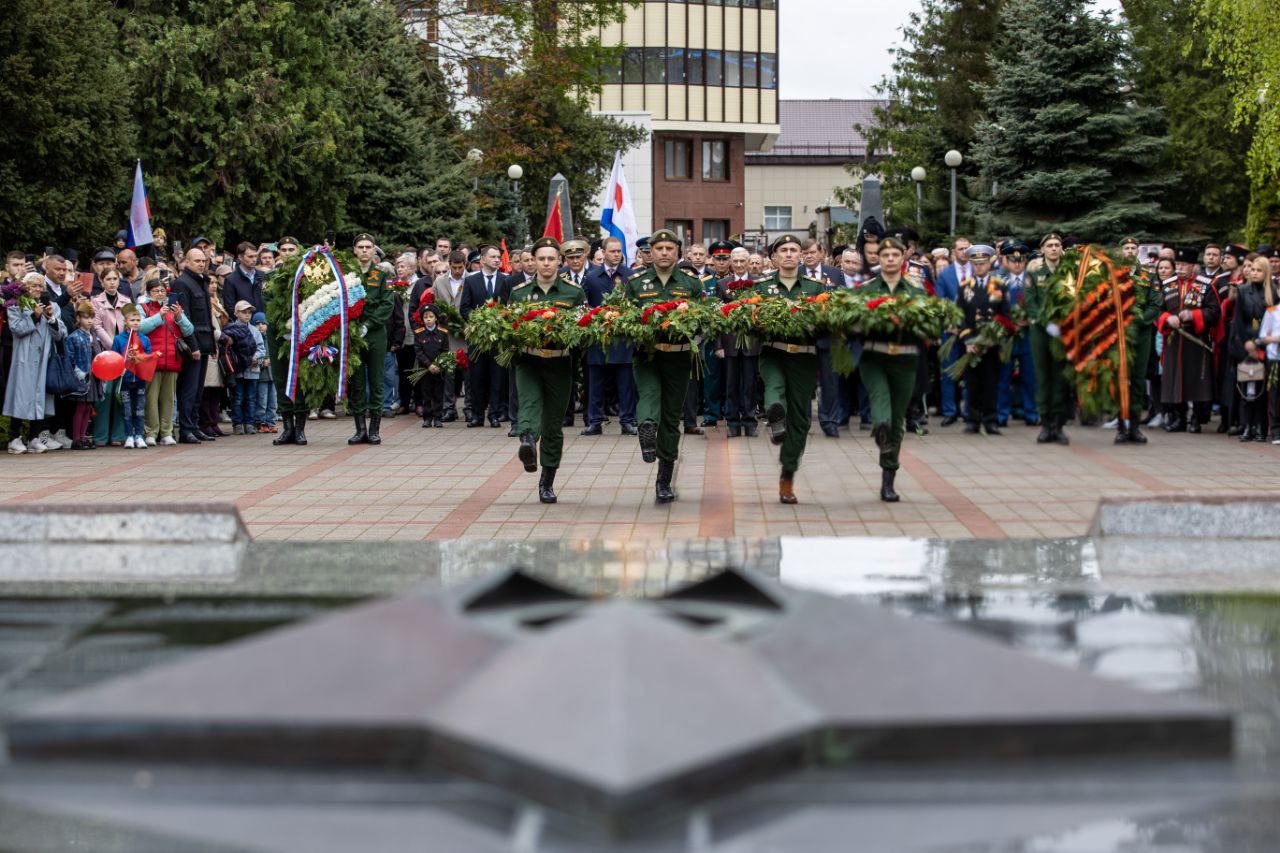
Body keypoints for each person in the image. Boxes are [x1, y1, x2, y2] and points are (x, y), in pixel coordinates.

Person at [625, 229, 702, 503]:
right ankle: (646, 431)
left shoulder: (691, 283)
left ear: (677, 252)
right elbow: (625, 318)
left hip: (679, 357)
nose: (665, 253)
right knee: (648, 395)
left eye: (670, 248)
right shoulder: (635, 283)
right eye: (659, 248)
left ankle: (664, 480)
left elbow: (702, 319)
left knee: (671, 417)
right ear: (650, 252)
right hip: (647, 355)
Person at [509, 237, 586, 504]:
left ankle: (547, 481)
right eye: (540, 258)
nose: (545, 263)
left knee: (554, 424)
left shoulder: (573, 292)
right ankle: (528, 443)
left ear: (559, 261)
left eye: (551, 258)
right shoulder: (519, 293)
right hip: (529, 361)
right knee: (528, 406)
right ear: (532, 261)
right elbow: (509, 327)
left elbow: (583, 330)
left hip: (559, 363)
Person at [751, 235, 826, 504]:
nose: (789, 254)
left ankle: (788, 475)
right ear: (774, 257)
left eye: (794, 250)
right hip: (773, 352)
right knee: (774, 387)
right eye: (783, 250)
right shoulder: (761, 288)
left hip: (804, 358)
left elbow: (827, 322)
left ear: (801, 255)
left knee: (802, 421)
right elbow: (747, 319)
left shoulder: (817, 288)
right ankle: (774, 417)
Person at [856, 237, 928, 502]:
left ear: (902, 259)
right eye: (883, 254)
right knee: (882, 409)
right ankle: (880, 427)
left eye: (893, 255)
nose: (888, 259)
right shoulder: (865, 290)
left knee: (897, 421)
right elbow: (852, 322)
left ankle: (888, 480)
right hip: (874, 357)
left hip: (906, 360)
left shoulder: (916, 290)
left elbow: (928, 325)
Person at [1158, 246, 1222, 433]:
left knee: (1197, 381)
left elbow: (1214, 312)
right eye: (1177, 264)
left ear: (1193, 266)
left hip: (1196, 340)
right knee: (1175, 380)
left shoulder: (1205, 286)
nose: (1179, 268)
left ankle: (1196, 419)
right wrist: (1167, 319)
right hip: (1174, 341)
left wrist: (1194, 315)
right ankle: (1179, 418)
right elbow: (1159, 311)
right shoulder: (1168, 285)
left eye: (1183, 264)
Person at [5, 273, 67, 454]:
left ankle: (34, 437)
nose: (37, 290)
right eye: (33, 286)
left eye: (40, 287)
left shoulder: (52, 306)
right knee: (20, 396)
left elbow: (60, 333)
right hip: (24, 358)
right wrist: (33, 316)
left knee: (41, 398)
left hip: (43, 359)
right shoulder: (16, 305)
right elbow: (17, 329)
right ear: (25, 288)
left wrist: (50, 317)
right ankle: (14, 437)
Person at [581, 236, 636, 436]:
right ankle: (594, 421)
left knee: (625, 382)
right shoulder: (591, 276)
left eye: (619, 251)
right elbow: (584, 304)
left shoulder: (630, 275)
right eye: (612, 251)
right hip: (598, 337)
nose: (616, 254)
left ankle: (627, 420)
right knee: (595, 382)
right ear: (603, 253)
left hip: (622, 337)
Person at [346, 233, 396, 445]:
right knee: (356, 382)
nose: (365, 250)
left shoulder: (382, 275)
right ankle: (360, 430)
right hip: (353, 334)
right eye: (361, 247)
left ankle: (374, 429)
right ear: (355, 250)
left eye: (368, 247)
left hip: (375, 334)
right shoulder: (348, 275)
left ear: (374, 250)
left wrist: (369, 324)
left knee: (376, 380)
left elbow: (387, 304)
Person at [955, 244, 1010, 435]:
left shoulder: (999, 285)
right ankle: (973, 420)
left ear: (989, 264)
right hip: (971, 345)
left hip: (991, 344)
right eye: (976, 264)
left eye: (983, 263)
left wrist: (995, 337)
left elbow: (1006, 316)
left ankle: (990, 420)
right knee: (972, 383)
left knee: (991, 383)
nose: (979, 267)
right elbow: (959, 317)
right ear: (971, 264)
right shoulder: (964, 287)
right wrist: (968, 340)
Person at [138, 272, 195, 446]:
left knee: (168, 399)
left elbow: (189, 330)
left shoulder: (174, 308)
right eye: (156, 291)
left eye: (162, 291)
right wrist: (159, 316)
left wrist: (179, 317)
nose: (160, 294)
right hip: (151, 360)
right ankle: (151, 431)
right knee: (151, 398)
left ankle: (167, 432)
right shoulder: (143, 308)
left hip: (172, 360)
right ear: (149, 293)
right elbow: (141, 327)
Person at [1026, 233, 1071, 444]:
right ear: (1042, 249)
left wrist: (1064, 323)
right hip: (1040, 333)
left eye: (1057, 245)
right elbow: (1031, 302)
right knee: (1043, 377)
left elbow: (1074, 298)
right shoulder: (1034, 270)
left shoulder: (1068, 270)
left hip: (1063, 331)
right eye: (1050, 245)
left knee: (1060, 377)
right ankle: (1045, 424)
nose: (1054, 248)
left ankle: (1058, 425)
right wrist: (1047, 323)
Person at [1115, 236, 1161, 444]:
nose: (1131, 251)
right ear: (1121, 252)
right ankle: (1120, 425)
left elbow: (1154, 304)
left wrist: (1138, 320)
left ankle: (1134, 426)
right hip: (1119, 335)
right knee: (1121, 379)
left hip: (1141, 334)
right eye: (1127, 248)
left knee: (1138, 380)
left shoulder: (1147, 276)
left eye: (1134, 248)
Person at [459, 244, 510, 429]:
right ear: (483, 259)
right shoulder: (472, 281)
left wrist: (498, 320)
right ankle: (477, 415)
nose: (497, 260)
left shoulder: (506, 280)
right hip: (478, 338)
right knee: (477, 377)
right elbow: (464, 307)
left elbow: (508, 306)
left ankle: (494, 414)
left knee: (497, 377)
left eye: (499, 257)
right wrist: (479, 322)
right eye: (493, 257)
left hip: (498, 338)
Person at [172, 247, 216, 444]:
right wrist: (194, 346)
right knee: (188, 389)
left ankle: (195, 426)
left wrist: (212, 346)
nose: (201, 264)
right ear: (187, 262)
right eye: (197, 260)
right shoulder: (182, 283)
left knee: (198, 389)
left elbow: (207, 317)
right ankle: (186, 428)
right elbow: (184, 318)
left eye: (203, 261)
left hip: (205, 342)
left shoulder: (202, 282)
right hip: (193, 345)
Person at [716, 246, 761, 437]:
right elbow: (717, 316)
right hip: (729, 343)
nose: (740, 265)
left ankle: (750, 421)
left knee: (751, 384)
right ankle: (733, 422)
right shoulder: (722, 284)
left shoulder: (759, 282)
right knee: (731, 385)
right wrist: (718, 345)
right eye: (736, 261)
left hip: (752, 342)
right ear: (730, 263)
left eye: (743, 261)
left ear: (749, 262)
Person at [995, 240, 1038, 429]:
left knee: (1030, 377)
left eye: (1021, 260)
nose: (1017, 264)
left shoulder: (1033, 282)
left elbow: (1039, 306)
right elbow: (993, 309)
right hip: (1006, 336)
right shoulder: (998, 282)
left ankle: (1031, 413)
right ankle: (1001, 414)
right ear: (1006, 261)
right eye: (1013, 260)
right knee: (1003, 377)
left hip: (1028, 337)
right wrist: (1008, 323)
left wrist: (1028, 320)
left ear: (1026, 261)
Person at [90, 268, 132, 447]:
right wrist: (113, 346)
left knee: (121, 393)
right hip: (104, 353)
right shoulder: (95, 301)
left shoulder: (126, 301)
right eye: (108, 279)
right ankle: (100, 436)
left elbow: (131, 323)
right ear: (101, 281)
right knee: (105, 393)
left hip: (124, 353)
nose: (112, 282)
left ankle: (118, 434)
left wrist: (123, 346)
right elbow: (97, 326)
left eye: (115, 278)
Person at [933, 236, 972, 426]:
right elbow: (940, 301)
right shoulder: (945, 274)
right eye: (961, 249)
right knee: (948, 372)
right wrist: (951, 323)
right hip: (950, 330)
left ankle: (968, 410)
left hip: (972, 331)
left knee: (970, 371)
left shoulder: (977, 271)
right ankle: (950, 411)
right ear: (954, 251)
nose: (964, 252)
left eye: (967, 248)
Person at [1232, 254, 1271, 441]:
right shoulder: (1242, 291)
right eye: (1252, 270)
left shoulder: (1273, 293)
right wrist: (1246, 342)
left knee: (1263, 389)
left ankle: (1260, 427)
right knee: (1247, 387)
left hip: (1265, 343)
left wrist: (1262, 341)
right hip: (1247, 342)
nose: (1254, 273)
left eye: (1258, 270)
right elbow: (1238, 321)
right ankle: (1246, 425)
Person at [430, 249, 470, 422]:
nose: (457, 271)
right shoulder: (439, 281)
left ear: (465, 265)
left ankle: (469, 407)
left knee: (469, 374)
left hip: (467, 332)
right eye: (453, 268)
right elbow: (434, 304)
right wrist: (441, 316)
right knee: (449, 373)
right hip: (448, 333)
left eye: (460, 267)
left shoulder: (472, 279)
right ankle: (449, 408)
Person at [111, 304, 152, 449]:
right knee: (127, 409)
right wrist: (119, 368)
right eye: (132, 320)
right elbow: (114, 358)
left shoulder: (145, 339)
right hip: (125, 380)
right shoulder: (119, 339)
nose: (135, 323)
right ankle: (129, 436)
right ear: (126, 322)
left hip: (140, 380)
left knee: (140, 408)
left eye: (138, 320)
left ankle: (139, 435)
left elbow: (148, 358)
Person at [63, 300, 102, 449]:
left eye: (92, 317)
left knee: (88, 407)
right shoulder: (74, 337)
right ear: (78, 318)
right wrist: (79, 373)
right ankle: (76, 438)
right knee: (80, 407)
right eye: (86, 317)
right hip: (81, 377)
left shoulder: (93, 337)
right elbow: (70, 358)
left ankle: (83, 436)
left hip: (93, 376)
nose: (90, 321)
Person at [222, 300, 261, 435]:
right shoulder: (230, 329)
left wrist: (256, 357)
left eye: (249, 312)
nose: (247, 315)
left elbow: (261, 348)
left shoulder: (255, 331)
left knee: (251, 398)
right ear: (236, 313)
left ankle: (249, 423)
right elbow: (228, 349)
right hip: (238, 371)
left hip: (252, 370)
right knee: (237, 398)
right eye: (244, 312)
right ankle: (238, 423)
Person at [413, 304, 448, 428]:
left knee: (438, 393)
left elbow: (445, 350)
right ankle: (427, 417)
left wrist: (438, 365)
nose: (428, 319)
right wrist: (429, 365)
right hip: (425, 369)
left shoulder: (443, 333)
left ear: (436, 318)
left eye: (431, 316)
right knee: (426, 394)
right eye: (425, 317)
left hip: (438, 369)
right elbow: (418, 351)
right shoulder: (419, 333)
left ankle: (438, 417)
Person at [252, 313, 277, 434]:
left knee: (273, 402)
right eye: (257, 324)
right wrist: (262, 362)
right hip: (261, 376)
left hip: (273, 376)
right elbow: (254, 356)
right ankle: (260, 422)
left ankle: (271, 422)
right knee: (262, 401)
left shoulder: (272, 338)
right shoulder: (254, 338)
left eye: (263, 323)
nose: (260, 326)